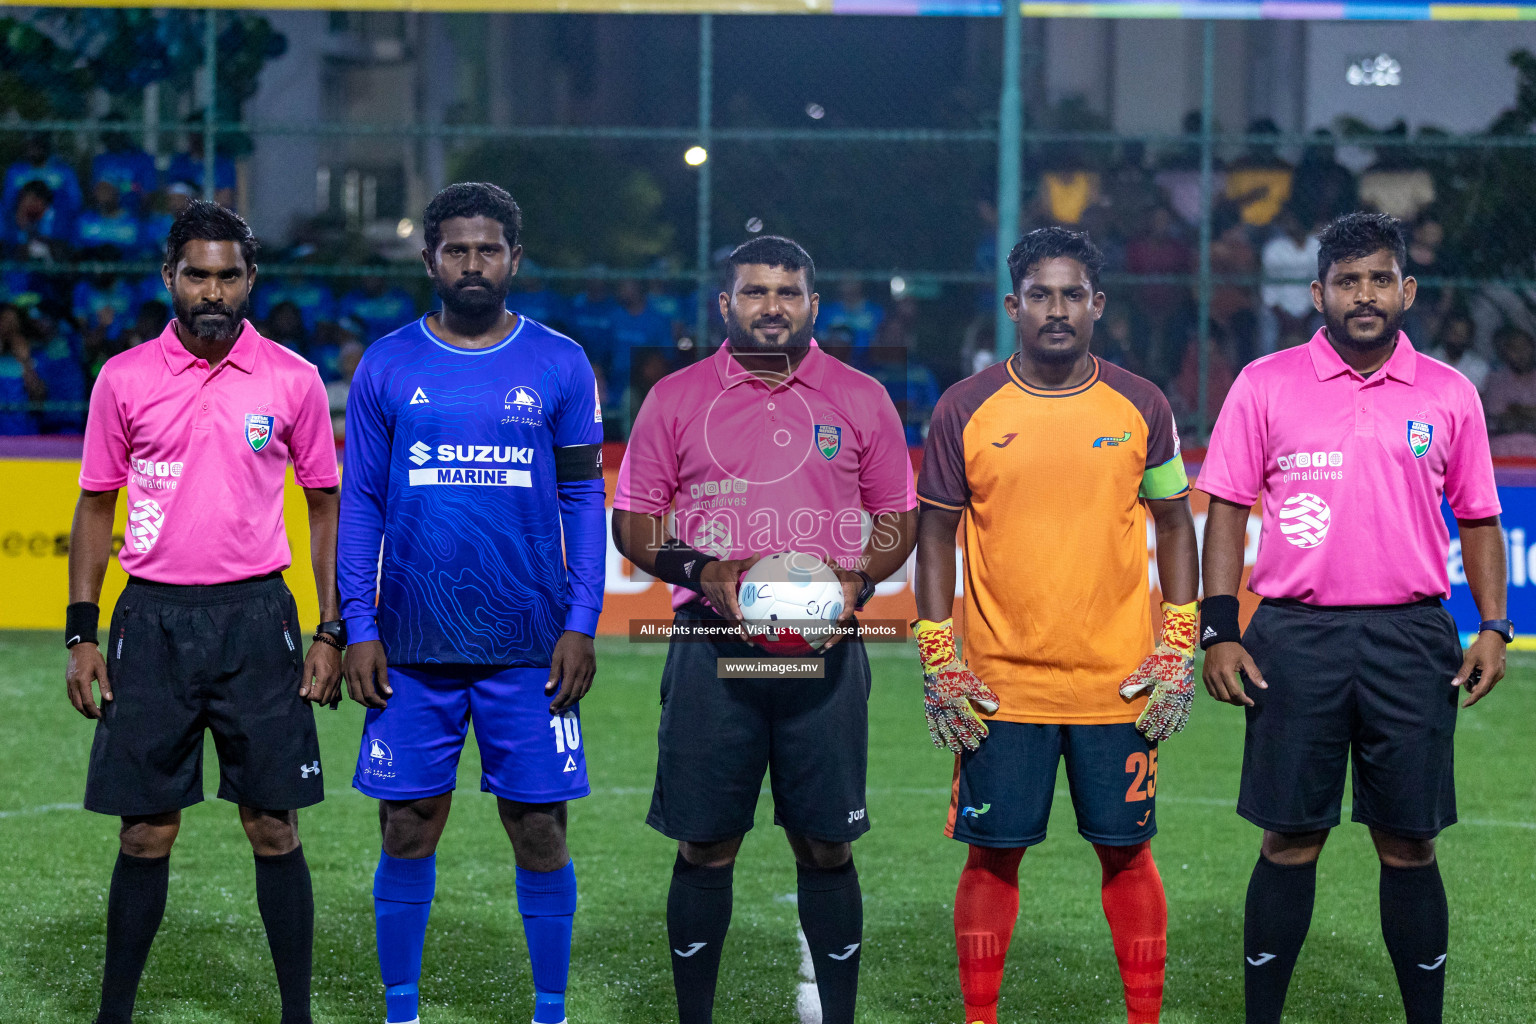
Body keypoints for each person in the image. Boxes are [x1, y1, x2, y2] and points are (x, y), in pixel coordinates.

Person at [1198, 212, 1507, 1024]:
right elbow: (1226, 507)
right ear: (1317, 293)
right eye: (1346, 281)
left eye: (1378, 279)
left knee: (1409, 844)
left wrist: (1494, 627)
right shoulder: (1264, 383)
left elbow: (1478, 516)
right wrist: (1220, 628)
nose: (1362, 295)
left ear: (1406, 289)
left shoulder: (1449, 392)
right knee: (1288, 840)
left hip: (1411, 637)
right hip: (1295, 637)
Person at [611, 235, 917, 1024]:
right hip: (713, 653)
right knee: (705, 845)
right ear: (726, 305)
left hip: (825, 656)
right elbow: (636, 525)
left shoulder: (861, 397)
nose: (772, 306)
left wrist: (858, 579)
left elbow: (897, 517)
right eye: (755, 292)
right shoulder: (676, 398)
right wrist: (701, 571)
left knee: (826, 845)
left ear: (813, 305)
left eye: (788, 293)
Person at [63, 200, 343, 1024]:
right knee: (144, 834)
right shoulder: (123, 378)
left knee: (274, 830)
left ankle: (297, 1012)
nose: (212, 290)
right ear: (170, 279)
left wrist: (332, 627)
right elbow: (93, 508)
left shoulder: (292, 380)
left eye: (227, 275)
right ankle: (115, 1012)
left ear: (249, 280)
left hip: (260, 619)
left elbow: (325, 506)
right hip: (149, 622)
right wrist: (83, 631)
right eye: (197, 275)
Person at [914, 226, 1198, 1024]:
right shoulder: (963, 408)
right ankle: (980, 1019)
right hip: (1002, 686)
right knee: (993, 855)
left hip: (1119, 683)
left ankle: (1144, 1017)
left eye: (1074, 294)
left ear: (1098, 305)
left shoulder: (1143, 405)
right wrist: (939, 655)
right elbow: (935, 536)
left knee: (1127, 850)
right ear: (1013, 305)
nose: (1058, 309)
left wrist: (1178, 644)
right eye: (1040, 294)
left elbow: (1175, 525)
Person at [338, 182, 606, 1024]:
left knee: (540, 830)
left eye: (488, 249)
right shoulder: (387, 363)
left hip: (529, 644)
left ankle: (550, 1011)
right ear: (430, 260)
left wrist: (580, 621)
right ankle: (401, 1011)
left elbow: (582, 503)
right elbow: (362, 506)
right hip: (411, 644)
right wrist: (358, 624)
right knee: (408, 827)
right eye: (456, 249)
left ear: (514, 260)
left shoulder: (560, 362)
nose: (473, 263)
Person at [1481, 324, 1536, 456]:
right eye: (1515, 349)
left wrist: (1515, 408)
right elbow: (1502, 421)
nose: (1521, 354)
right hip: (1502, 445)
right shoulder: (1495, 380)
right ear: (1505, 352)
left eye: (1525, 348)